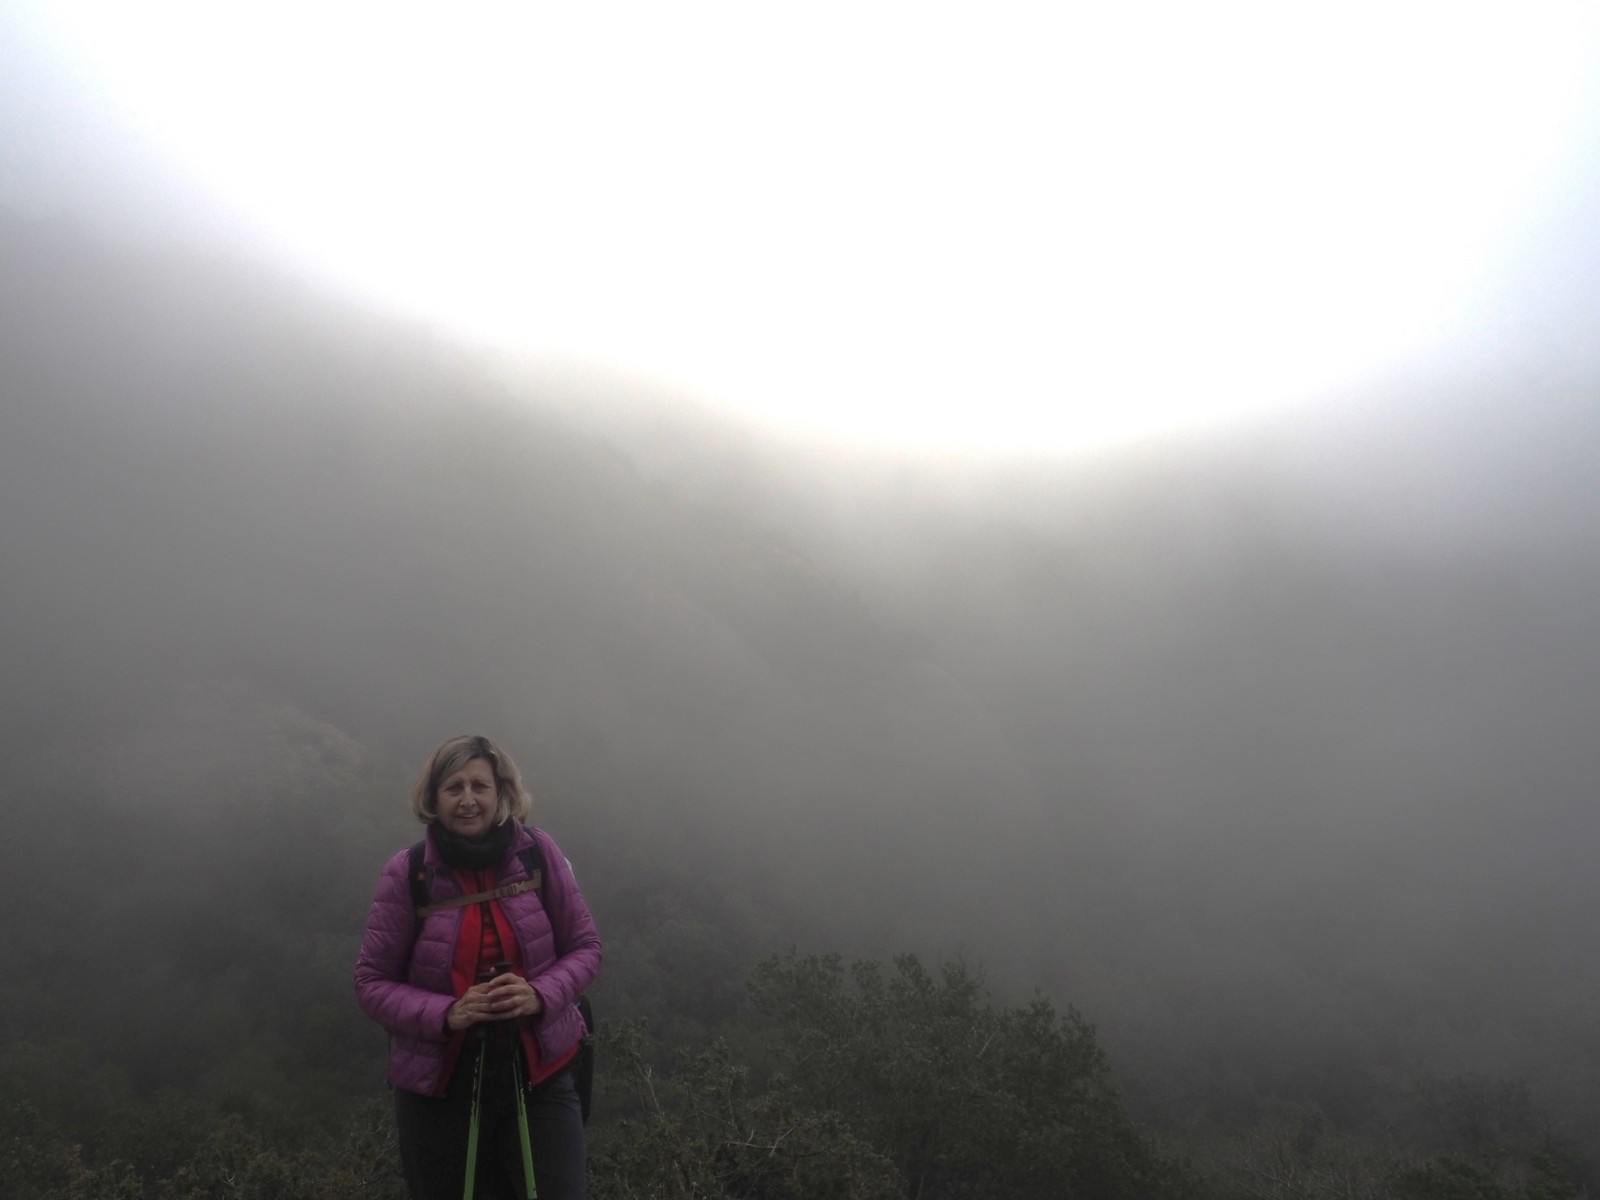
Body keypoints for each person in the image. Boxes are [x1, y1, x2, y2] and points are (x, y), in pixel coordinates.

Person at [356, 734, 601, 1200]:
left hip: (540, 1076)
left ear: (500, 792)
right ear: (433, 798)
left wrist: (539, 994)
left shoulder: (537, 853)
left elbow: (586, 947)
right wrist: (448, 1013)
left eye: (479, 786)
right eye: (453, 788)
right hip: (440, 1089)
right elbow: (370, 983)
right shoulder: (409, 873)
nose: (467, 799)